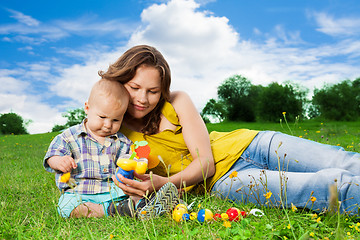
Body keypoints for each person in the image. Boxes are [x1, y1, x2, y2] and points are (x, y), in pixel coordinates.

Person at [100, 45, 360, 215]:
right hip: (227, 182)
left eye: (153, 91)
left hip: (253, 143)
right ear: (121, 80)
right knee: (328, 187)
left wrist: (165, 183)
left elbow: (205, 163)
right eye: (134, 88)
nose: (143, 99)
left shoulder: (177, 100)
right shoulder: (112, 130)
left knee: (343, 160)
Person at [44, 79, 179, 218]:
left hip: (113, 191)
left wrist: (136, 159)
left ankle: (147, 203)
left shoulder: (122, 142)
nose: (108, 125)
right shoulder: (69, 136)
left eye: (116, 120)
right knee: (66, 208)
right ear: (87, 108)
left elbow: (128, 166)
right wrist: (59, 161)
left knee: (134, 194)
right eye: (102, 117)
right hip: (78, 192)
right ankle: (115, 210)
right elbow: (51, 156)